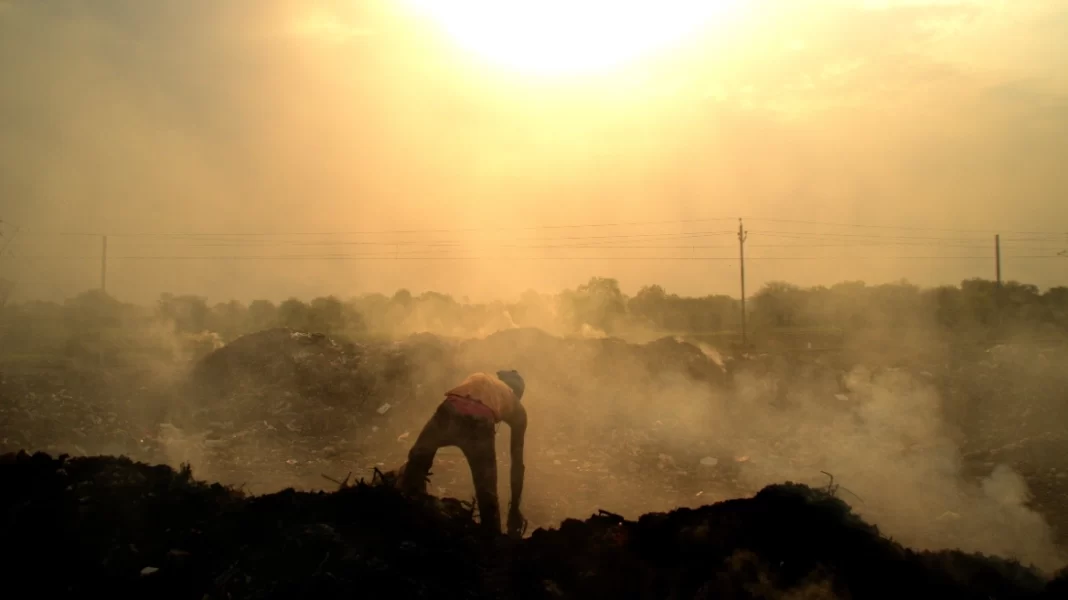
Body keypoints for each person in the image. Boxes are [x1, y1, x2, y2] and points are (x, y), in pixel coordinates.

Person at [396, 369, 528, 537]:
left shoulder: (483, 377)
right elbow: (517, 464)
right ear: (518, 392)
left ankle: (405, 510)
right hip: (479, 423)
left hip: (449, 409)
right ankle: (492, 542)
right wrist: (514, 509)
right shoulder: (515, 404)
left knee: (417, 460)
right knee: (487, 494)